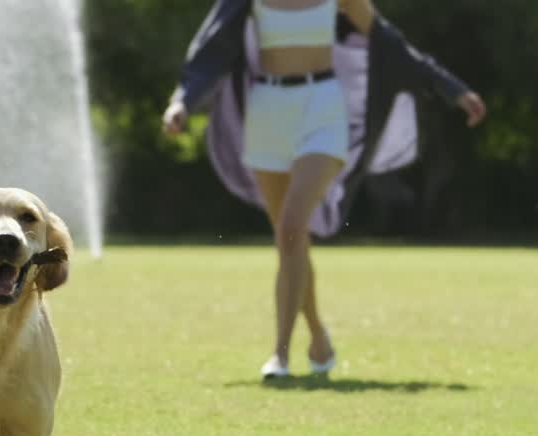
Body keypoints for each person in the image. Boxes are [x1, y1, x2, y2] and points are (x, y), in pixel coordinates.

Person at [162, 0, 486, 379]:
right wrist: (182, 101)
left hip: (322, 108)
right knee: (291, 240)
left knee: (291, 227)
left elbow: (391, 44)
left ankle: (279, 354)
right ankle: (317, 334)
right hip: (267, 111)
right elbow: (211, 49)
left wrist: (452, 88)